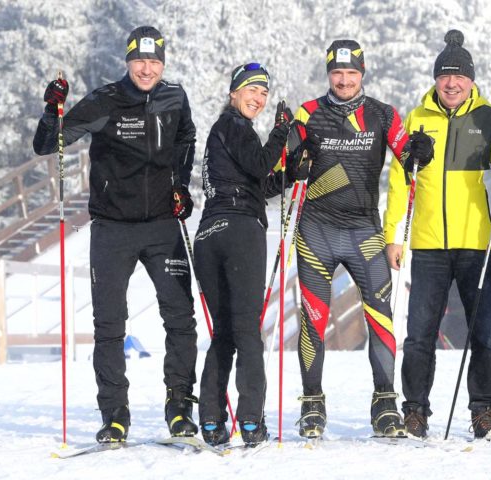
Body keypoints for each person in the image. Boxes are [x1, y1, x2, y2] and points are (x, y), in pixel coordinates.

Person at [33, 26, 199, 443]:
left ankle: (179, 407)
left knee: (180, 317)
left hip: (163, 225)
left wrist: (181, 185)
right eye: (140, 61)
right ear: (128, 62)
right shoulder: (105, 100)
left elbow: (186, 138)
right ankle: (115, 415)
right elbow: (47, 144)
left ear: (163, 63)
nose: (147, 69)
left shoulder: (174, 96)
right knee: (109, 325)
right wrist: (52, 110)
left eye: (154, 61)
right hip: (112, 226)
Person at [287, 39, 433, 439]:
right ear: (329, 74)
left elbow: (409, 156)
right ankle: (312, 403)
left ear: (362, 73)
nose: (345, 80)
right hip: (315, 230)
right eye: (338, 73)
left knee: (380, 315)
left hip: (364, 232)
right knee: (313, 320)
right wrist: (291, 152)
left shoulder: (383, 114)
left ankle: (385, 403)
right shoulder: (310, 112)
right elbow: (286, 168)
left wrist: (422, 149)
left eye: (352, 73)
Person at [383, 30, 491, 440]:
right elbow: (398, 180)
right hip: (427, 244)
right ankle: (415, 411)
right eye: (444, 76)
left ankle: (483, 412)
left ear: (471, 80)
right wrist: (395, 235)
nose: (451, 84)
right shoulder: (416, 118)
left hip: (478, 245)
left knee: (486, 334)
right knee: (419, 335)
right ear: (435, 79)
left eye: (459, 77)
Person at [193, 64, 306, 447]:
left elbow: (256, 182)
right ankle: (251, 422)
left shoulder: (227, 132)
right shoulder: (235, 127)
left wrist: (291, 173)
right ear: (233, 93)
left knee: (224, 332)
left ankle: (210, 420)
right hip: (239, 232)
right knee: (246, 331)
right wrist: (281, 131)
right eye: (251, 91)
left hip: (209, 233)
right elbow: (260, 165)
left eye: (263, 93)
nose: (258, 98)